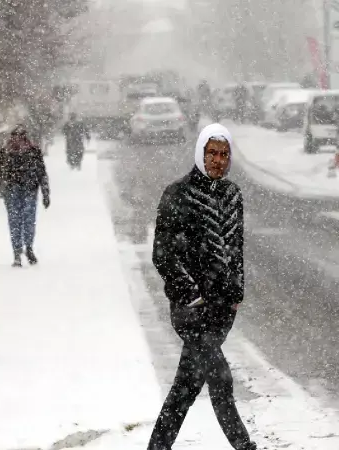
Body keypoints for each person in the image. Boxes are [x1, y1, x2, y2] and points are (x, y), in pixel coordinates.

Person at [147, 123, 256, 450]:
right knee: (221, 380)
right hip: (190, 312)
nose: (218, 160)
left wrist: (235, 291)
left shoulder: (233, 195)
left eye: (224, 154)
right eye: (211, 153)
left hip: (221, 313)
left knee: (185, 389)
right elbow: (162, 254)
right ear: (200, 153)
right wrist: (191, 295)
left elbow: (235, 248)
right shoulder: (177, 194)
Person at [0, 124, 50, 267]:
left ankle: (28, 247)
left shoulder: (33, 151)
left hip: (29, 189)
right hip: (12, 190)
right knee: (15, 221)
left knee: (27, 220)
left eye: (20, 137)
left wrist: (45, 192)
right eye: (16, 137)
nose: (18, 140)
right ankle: (17, 252)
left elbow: (41, 172)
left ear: (25, 137)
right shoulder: (5, 152)